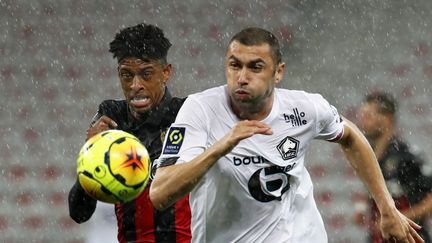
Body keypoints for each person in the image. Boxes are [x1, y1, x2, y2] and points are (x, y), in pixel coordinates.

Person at [149, 27, 424, 243]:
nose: (242, 77)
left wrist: (387, 208)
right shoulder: (200, 110)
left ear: (278, 72)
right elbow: (160, 194)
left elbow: (350, 136)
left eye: (255, 67)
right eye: (235, 65)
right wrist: (220, 147)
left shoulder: (304, 108)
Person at [68, 23, 191, 243]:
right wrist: (90, 153)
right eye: (127, 75)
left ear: (166, 72)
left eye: (146, 74)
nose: (135, 85)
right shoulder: (112, 116)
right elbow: (79, 213)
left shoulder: (188, 113)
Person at [354, 92, 432, 242]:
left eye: (369, 115)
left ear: (387, 119)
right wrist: (362, 207)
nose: (362, 120)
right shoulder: (369, 155)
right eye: (362, 114)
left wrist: (398, 218)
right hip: (378, 238)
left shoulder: (408, 156)